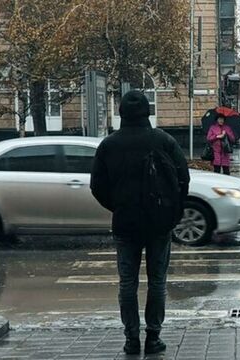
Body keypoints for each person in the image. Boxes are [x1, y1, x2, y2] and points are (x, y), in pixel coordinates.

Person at [90, 91, 190, 355]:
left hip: (125, 223)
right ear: (148, 112)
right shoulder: (164, 141)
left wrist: (118, 205)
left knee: (127, 283)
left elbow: (97, 186)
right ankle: (153, 337)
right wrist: (172, 213)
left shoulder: (109, 145)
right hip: (159, 222)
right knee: (157, 281)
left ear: (121, 113)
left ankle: (131, 339)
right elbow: (183, 179)